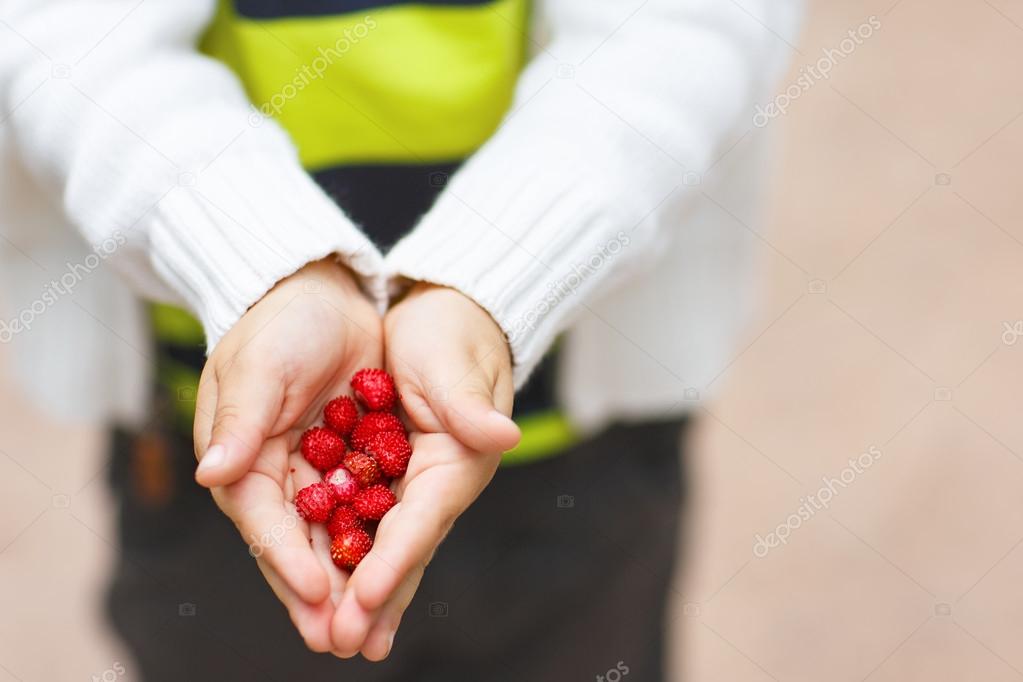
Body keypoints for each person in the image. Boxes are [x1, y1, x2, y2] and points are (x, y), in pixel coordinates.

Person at [0, 0, 801, 679]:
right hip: (234, 441)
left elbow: (690, 31)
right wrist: (266, 265)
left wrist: (487, 279)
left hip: (585, 442)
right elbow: (59, 37)